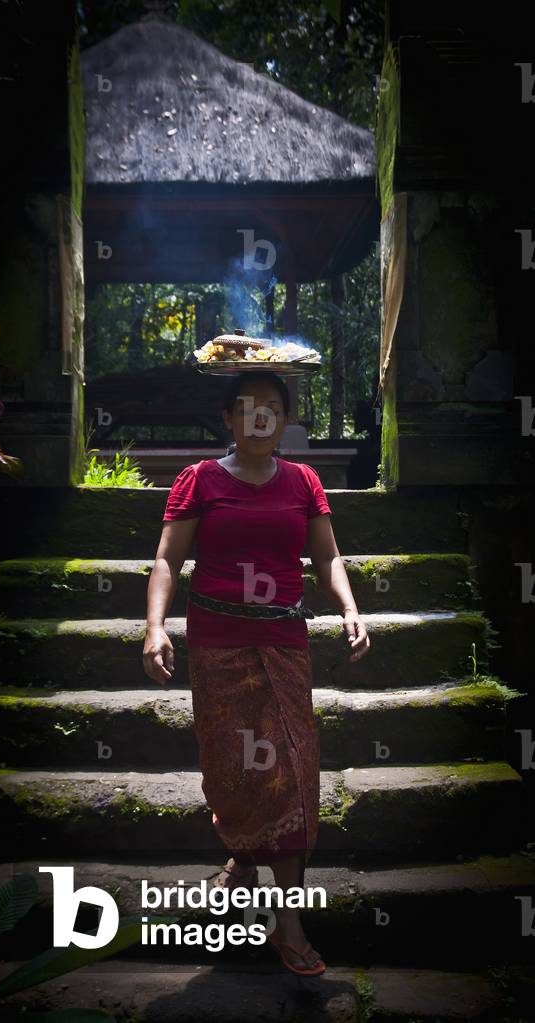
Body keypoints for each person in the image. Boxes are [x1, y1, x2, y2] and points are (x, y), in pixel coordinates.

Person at [143, 370, 370, 976]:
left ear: (285, 420)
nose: (261, 417)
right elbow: (167, 559)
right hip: (217, 645)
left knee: (290, 768)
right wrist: (155, 626)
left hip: (283, 643)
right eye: (249, 407)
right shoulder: (199, 480)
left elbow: (327, 556)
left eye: (273, 407)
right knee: (233, 768)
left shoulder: (303, 482)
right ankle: (243, 856)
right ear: (228, 418)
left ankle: (288, 921)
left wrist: (349, 608)